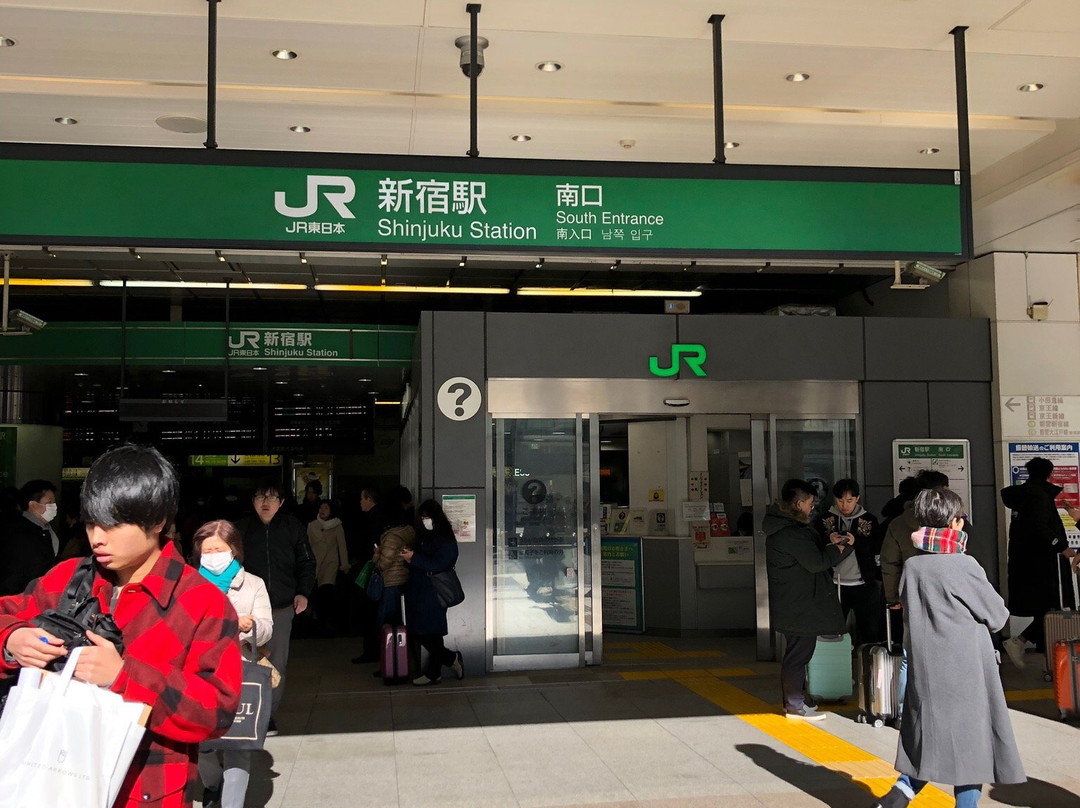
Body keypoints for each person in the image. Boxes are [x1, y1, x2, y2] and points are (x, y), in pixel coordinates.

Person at [0, 444, 242, 808]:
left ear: (158, 521)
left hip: (145, 793)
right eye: (91, 522)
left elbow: (217, 710)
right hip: (48, 782)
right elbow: (7, 614)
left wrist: (125, 676)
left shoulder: (202, 601)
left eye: (113, 524)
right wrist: (12, 639)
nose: (97, 537)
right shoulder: (66, 578)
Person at [872, 488, 1024, 808]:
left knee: (928, 743)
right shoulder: (963, 565)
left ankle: (897, 797)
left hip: (927, 669)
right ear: (955, 523)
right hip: (966, 671)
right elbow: (997, 616)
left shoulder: (913, 568)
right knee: (971, 750)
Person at [194, 520, 272, 808]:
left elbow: (267, 628)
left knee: (239, 744)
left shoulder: (252, 584)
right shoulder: (190, 583)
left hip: (238, 673)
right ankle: (213, 785)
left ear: (234, 551)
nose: (213, 555)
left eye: (219, 549)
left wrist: (249, 626)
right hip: (198, 675)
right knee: (203, 744)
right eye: (208, 550)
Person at [764, 478, 855, 721]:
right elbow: (816, 562)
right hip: (799, 604)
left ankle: (797, 701)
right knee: (798, 655)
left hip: (795, 602)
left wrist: (829, 545)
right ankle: (794, 706)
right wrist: (840, 549)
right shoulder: (791, 533)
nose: (811, 507)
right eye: (809, 503)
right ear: (798, 503)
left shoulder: (786, 529)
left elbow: (810, 555)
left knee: (798, 653)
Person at [234, 478, 315, 733]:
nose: (265, 502)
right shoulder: (242, 529)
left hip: (280, 609)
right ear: (253, 502)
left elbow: (306, 563)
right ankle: (246, 712)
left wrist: (303, 593)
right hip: (247, 611)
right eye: (260, 497)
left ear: (280, 503)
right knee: (245, 662)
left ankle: (267, 715)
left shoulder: (292, 527)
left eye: (271, 498)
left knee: (276, 665)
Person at [880, 469, 949, 718]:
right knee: (946, 653)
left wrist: (892, 598)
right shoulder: (953, 520)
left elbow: (889, 564)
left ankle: (904, 714)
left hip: (912, 597)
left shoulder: (899, 523)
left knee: (910, 656)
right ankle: (942, 710)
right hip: (948, 598)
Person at [1000, 457, 1078, 668]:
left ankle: (1036, 650)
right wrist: (1061, 546)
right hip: (1044, 563)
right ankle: (1021, 643)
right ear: (1049, 474)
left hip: (1026, 563)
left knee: (1045, 608)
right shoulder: (1039, 497)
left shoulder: (1024, 496)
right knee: (1054, 608)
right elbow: (1041, 528)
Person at [401, 499, 464, 685]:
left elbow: (441, 563)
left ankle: (448, 660)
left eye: (427, 517)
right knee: (428, 632)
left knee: (427, 631)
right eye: (422, 517)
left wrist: (414, 558)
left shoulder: (444, 537)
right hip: (419, 589)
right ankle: (436, 670)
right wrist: (409, 557)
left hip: (434, 591)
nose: (424, 520)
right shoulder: (423, 536)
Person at [814, 478, 883, 644]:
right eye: (840, 500)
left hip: (863, 583)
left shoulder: (869, 520)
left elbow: (876, 548)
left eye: (849, 501)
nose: (844, 505)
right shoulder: (824, 520)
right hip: (834, 583)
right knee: (831, 630)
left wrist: (856, 542)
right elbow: (814, 547)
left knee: (869, 629)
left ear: (857, 499)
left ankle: (867, 662)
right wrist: (828, 539)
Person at [369, 504, 416, 674]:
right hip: (405, 580)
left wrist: (376, 558)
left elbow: (385, 562)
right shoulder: (409, 531)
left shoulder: (391, 536)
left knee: (384, 624)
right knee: (401, 623)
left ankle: (388, 664)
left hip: (391, 582)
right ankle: (402, 661)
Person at [0, 479, 59, 596]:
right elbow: (13, 575)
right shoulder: (18, 533)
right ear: (32, 505)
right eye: (49, 502)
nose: (54, 507)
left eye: (54, 502)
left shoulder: (46, 531)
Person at [306, 499, 349, 635]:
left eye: (326, 508)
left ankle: (326, 622)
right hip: (316, 563)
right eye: (321, 508)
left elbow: (342, 546)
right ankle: (318, 620)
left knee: (326, 592)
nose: (322, 511)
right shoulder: (312, 526)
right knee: (316, 593)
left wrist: (345, 563)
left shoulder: (337, 525)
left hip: (331, 563)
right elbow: (307, 546)